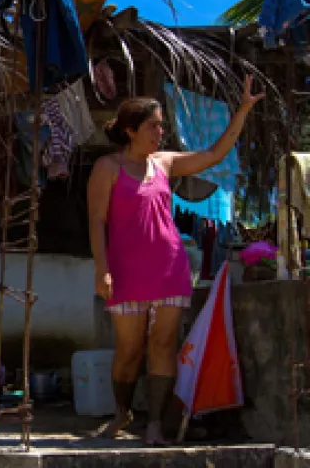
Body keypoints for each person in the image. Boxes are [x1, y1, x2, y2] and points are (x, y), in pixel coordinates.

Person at [87, 75, 263, 446]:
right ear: (131, 131)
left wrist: (243, 111)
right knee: (129, 350)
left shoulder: (164, 163)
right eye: (154, 126)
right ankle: (122, 412)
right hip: (125, 271)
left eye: (161, 125)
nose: (161, 132)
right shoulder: (108, 167)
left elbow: (213, 155)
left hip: (170, 267)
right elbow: (97, 221)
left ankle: (155, 425)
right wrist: (102, 269)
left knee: (164, 345)